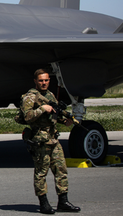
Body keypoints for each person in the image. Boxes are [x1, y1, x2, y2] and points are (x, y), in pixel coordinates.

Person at [21, 69, 81, 214]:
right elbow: (27, 117)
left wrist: (64, 121)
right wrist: (42, 108)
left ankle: (63, 201)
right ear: (35, 81)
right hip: (40, 140)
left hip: (53, 139)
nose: (44, 83)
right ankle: (44, 204)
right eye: (41, 80)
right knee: (41, 172)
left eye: (46, 80)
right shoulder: (30, 97)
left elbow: (53, 115)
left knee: (61, 170)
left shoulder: (50, 95)